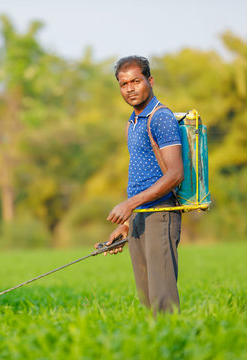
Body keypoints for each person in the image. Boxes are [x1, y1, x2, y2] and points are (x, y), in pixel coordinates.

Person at [95, 55, 184, 315]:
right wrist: (126, 224)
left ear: (150, 80)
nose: (130, 88)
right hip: (139, 219)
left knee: (162, 299)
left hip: (160, 214)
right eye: (124, 84)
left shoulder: (161, 117)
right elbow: (139, 174)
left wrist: (129, 204)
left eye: (136, 81)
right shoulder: (132, 124)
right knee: (147, 299)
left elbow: (175, 174)